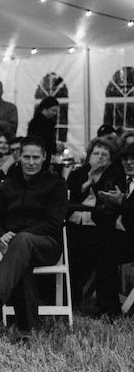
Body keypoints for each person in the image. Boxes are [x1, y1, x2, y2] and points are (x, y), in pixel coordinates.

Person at [0, 136, 67, 337]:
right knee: (20, 254)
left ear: (44, 158)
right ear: (19, 157)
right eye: (26, 157)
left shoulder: (56, 184)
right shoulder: (8, 185)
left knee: (21, 242)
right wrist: (2, 234)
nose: (31, 162)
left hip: (47, 244)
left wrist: (20, 236)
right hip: (16, 247)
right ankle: (28, 329)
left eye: (35, 157)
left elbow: (54, 223)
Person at [66, 136, 122, 308]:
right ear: (89, 156)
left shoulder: (114, 176)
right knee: (70, 249)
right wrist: (88, 181)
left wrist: (96, 181)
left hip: (99, 226)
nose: (99, 157)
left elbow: (106, 202)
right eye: (96, 153)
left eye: (104, 154)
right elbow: (70, 198)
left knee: (101, 250)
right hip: (75, 224)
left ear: (111, 158)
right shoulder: (77, 174)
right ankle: (71, 299)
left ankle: (103, 304)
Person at [91, 142, 134, 318]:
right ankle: (106, 307)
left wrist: (120, 203)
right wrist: (106, 203)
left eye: (133, 159)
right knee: (99, 244)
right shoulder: (120, 181)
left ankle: (110, 309)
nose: (129, 163)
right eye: (125, 159)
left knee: (105, 248)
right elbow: (98, 214)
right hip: (124, 237)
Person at [27, 96, 60, 168]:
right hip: (39, 155)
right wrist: (54, 147)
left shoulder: (47, 122)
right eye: (53, 110)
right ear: (45, 109)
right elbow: (44, 140)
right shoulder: (38, 123)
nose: (55, 113)